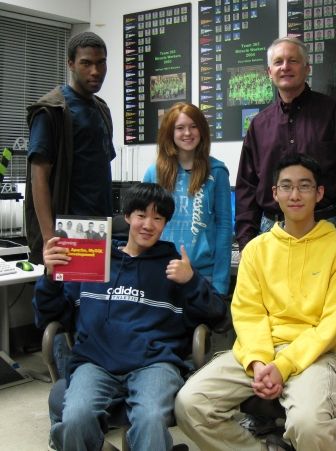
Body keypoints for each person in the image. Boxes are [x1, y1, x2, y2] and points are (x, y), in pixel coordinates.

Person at [175, 154, 336, 451]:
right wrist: (260, 362)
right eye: (286, 186)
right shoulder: (256, 250)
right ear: (275, 193)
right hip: (260, 350)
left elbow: (331, 325)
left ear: (319, 193)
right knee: (190, 404)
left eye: (304, 186)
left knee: (309, 425)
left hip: (318, 353)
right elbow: (248, 313)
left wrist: (282, 366)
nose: (295, 195)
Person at [32, 183, 227, 451]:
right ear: (126, 216)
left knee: (150, 419)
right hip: (94, 361)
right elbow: (49, 315)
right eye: (141, 215)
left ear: (165, 223)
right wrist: (50, 276)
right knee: (76, 419)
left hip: (155, 364)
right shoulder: (95, 261)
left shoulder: (174, 267)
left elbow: (218, 317)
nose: (148, 224)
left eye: (157, 218)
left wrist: (191, 281)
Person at [235, 36, 336, 251]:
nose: (285, 67)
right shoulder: (259, 124)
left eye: (293, 61)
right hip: (271, 233)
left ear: (307, 68)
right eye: (278, 62)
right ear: (269, 72)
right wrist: (246, 241)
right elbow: (247, 186)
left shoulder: (335, 113)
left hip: (326, 228)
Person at [26, 31, 115, 264]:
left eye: (101, 63)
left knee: (97, 289)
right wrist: (49, 240)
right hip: (65, 233)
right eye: (86, 63)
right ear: (71, 64)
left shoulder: (102, 110)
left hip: (99, 230)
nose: (95, 71)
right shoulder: (51, 110)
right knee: (64, 289)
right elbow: (38, 178)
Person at [143, 102, 232, 295]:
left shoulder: (217, 172)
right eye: (180, 128)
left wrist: (220, 283)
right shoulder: (154, 173)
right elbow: (143, 226)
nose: (187, 133)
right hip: (161, 272)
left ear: (202, 130)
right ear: (170, 132)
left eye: (193, 126)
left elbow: (225, 228)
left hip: (203, 276)